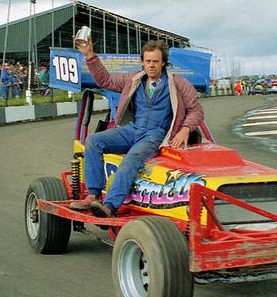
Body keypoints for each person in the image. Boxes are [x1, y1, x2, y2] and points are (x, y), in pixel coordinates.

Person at [69, 38, 204, 217]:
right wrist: (90, 55)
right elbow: (105, 81)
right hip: (133, 129)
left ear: (163, 62)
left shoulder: (178, 83)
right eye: (148, 61)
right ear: (142, 62)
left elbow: (196, 110)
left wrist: (186, 128)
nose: (151, 65)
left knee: (131, 159)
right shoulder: (133, 79)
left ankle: (109, 207)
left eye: (155, 61)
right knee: (93, 140)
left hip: (155, 135)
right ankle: (93, 196)